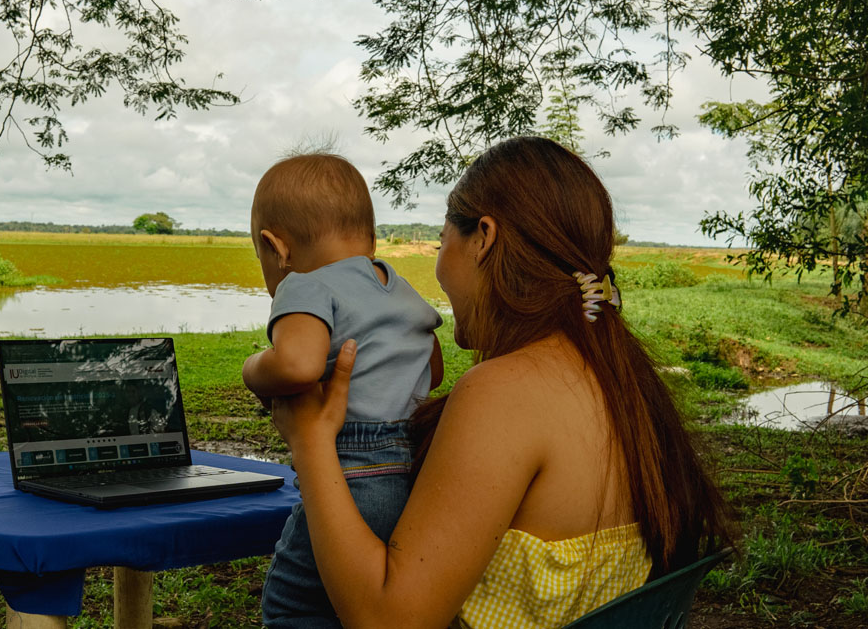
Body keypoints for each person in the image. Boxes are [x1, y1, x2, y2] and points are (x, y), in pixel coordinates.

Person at [270, 136, 734, 628]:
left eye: (441, 242)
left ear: (483, 238)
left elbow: (387, 621)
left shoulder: (504, 392)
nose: (439, 263)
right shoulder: (621, 381)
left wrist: (311, 440)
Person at [243, 153, 445, 627]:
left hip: (350, 471)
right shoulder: (398, 287)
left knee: (294, 605)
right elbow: (432, 368)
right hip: (409, 472)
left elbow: (298, 365)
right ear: (370, 238)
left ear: (276, 247)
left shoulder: (304, 284)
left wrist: (253, 370)